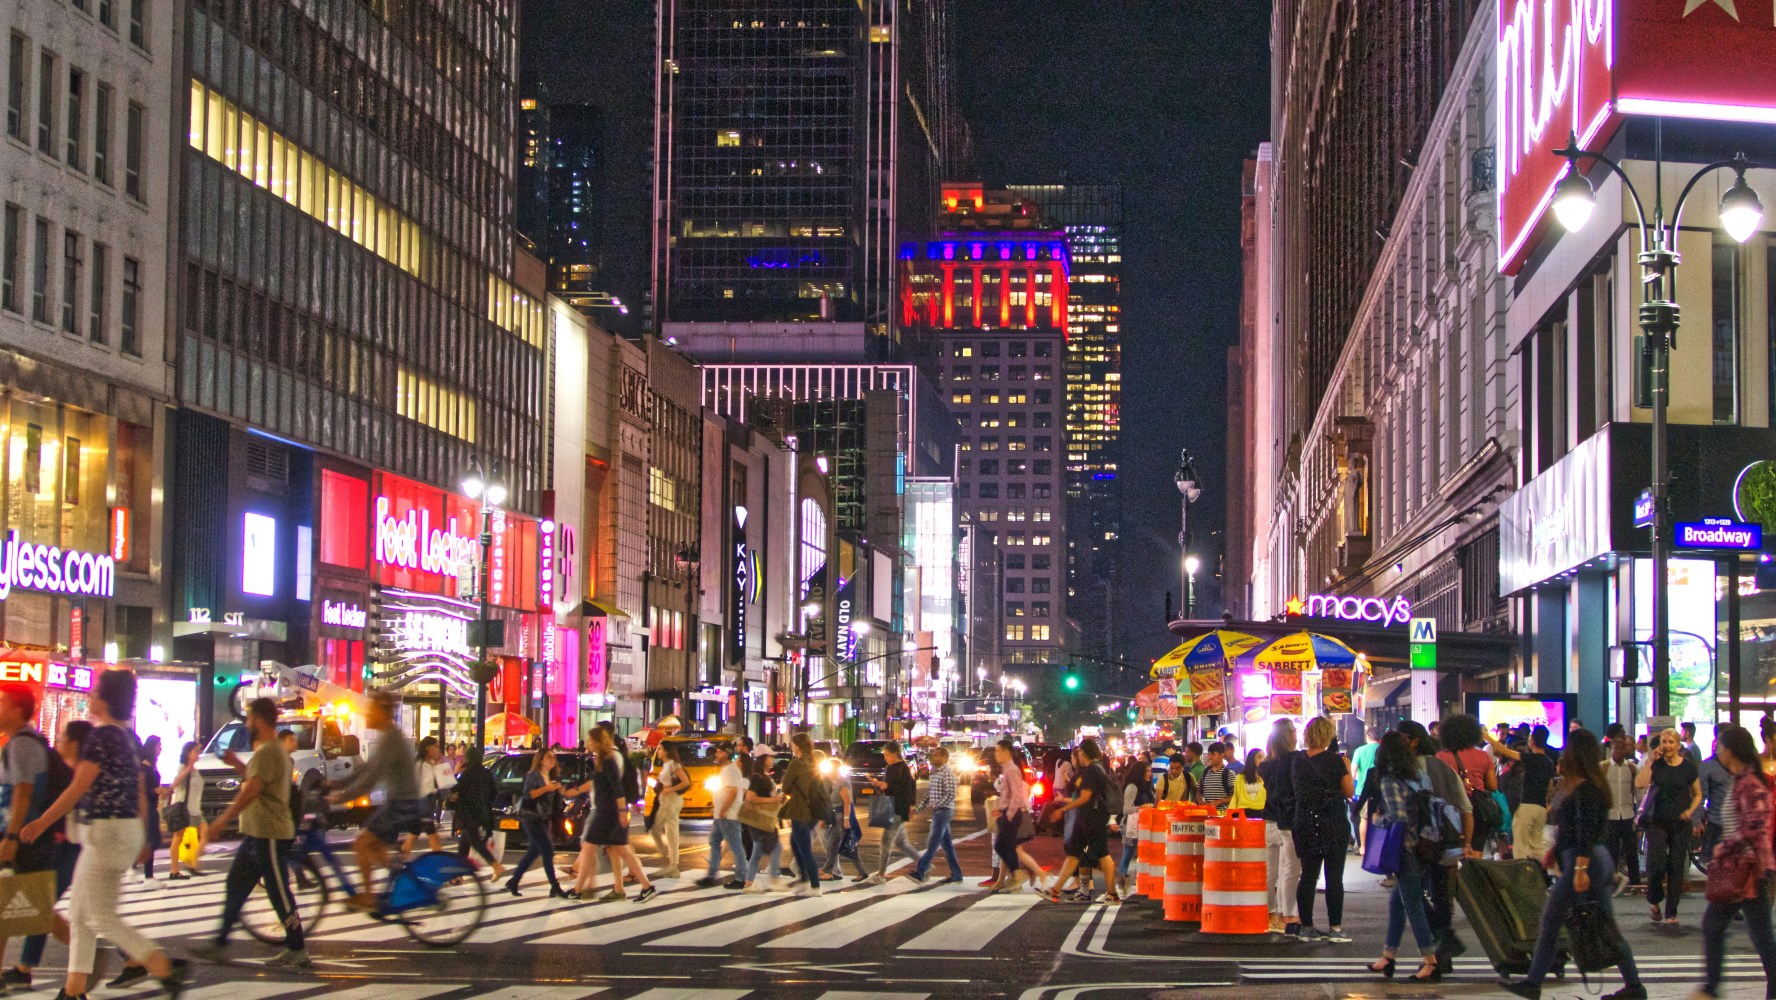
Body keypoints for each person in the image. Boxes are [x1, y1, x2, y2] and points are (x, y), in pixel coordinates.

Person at [17, 669, 188, 1000]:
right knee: (81, 915)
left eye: (95, 691)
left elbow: (78, 787)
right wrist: (142, 835)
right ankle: (73, 991)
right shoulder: (125, 737)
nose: (91, 696)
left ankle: (163, 965)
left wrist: (40, 823)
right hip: (117, 833)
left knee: (98, 915)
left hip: (107, 832)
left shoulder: (101, 737)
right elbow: (137, 788)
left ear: (106, 700)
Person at [1500, 729, 1647, 1000]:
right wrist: (1557, 849)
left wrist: (1578, 868)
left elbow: (1586, 831)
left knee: (1553, 919)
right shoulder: (1582, 784)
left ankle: (1533, 984)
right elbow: (1573, 828)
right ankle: (1634, 987)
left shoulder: (1586, 789)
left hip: (1585, 860)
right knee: (1604, 924)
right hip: (1587, 858)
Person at [188, 697, 307, 966]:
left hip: (271, 835)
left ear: (261, 721)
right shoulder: (270, 751)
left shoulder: (269, 752)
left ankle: (297, 947)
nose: (248, 723)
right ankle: (220, 941)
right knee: (236, 885)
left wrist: (222, 820)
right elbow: (260, 782)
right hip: (257, 833)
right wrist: (237, 766)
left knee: (278, 892)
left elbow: (252, 791)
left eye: (251, 718)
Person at [1692, 724, 1776, 1000]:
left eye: (1720, 746)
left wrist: (1723, 848)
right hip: (1740, 870)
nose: (1717, 750)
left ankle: (1711, 989)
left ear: (1731, 750)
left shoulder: (1749, 783)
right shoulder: (1740, 780)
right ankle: (1712, 989)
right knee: (1757, 935)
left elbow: (1755, 827)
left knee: (1749, 934)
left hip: (1747, 871)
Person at [0, 685, 74, 986]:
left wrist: (12, 837)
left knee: (39, 909)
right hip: (23, 836)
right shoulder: (17, 742)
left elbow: (24, 791)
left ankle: (94, 952)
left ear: (17, 709)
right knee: (17, 908)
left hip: (26, 839)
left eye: (2, 702)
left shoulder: (22, 744)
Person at [328, 692, 427, 909]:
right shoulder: (388, 737)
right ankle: (398, 875)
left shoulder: (390, 739)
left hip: (402, 804)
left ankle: (368, 897)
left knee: (361, 843)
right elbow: (367, 769)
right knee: (372, 846)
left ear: (383, 713)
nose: (367, 716)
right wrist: (339, 783)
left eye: (371, 711)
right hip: (401, 802)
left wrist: (342, 796)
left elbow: (370, 779)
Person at [1366, 733, 1441, 982]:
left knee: (1413, 904)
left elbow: (1397, 816)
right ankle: (1388, 956)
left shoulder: (1390, 780)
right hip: (1426, 846)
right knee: (1397, 904)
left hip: (1406, 848)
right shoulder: (1420, 777)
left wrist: (1379, 819)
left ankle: (1430, 961)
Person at [1399, 719, 1473, 968]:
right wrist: (1467, 843)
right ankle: (1444, 955)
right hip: (1448, 842)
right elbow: (1466, 809)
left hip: (1420, 844)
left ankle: (1444, 941)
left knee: (1412, 894)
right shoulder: (1445, 768)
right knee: (1442, 898)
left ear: (1413, 741)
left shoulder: (1408, 770)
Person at [1290, 715, 1353, 943]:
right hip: (1332, 820)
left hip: (1304, 820)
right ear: (1328, 735)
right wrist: (1347, 770)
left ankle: (1307, 926)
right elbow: (1348, 792)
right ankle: (1335, 928)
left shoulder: (1297, 760)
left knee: (1308, 875)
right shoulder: (1335, 761)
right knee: (1334, 877)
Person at [1634, 726, 1701, 924]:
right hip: (1657, 821)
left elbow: (1697, 794)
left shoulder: (1688, 767)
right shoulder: (1656, 765)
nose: (1667, 745)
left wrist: (1691, 811)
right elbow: (1639, 783)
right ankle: (1654, 900)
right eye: (1664, 741)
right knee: (1656, 864)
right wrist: (1651, 761)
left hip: (1680, 822)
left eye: (1671, 742)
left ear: (1678, 744)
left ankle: (1671, 912)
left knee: (1676, 866)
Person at [1040, 738, 1120, 904]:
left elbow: (1085, 797)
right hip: (1089, 818)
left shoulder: (1092, 771)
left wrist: (1063, 809)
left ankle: (1112, 894)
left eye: (1078, 753)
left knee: (1103, 855)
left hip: (1094, 818)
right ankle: (1065, 890)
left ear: (1083, 752)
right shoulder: (1095, 769)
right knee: (1076, 853)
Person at [582, 727, 655, 903]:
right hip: (607, 810)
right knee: (618, 849)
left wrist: (623, 810)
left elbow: (616, 786)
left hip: (609, 811)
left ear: (599, 741)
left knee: (591, 844)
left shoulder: (609, 759)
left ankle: (582, 888)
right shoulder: (603, 759)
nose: (587, 743)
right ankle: (626, 888)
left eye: (590, 740)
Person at [504, 748, 570, 898]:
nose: (552, 760)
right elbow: (529, 795)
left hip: (544, 818)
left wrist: (560, 793)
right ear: (541, 760)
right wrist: (546, 788)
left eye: (553, 758)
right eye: (549, 757)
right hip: (530, 817)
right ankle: (555, 886)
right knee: (548, 850)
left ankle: (514, 881)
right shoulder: (533, 776)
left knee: (534, 851)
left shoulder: (554, 777)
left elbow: (556, 803)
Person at [1487, 724, 1557, 860]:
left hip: (1527, 807)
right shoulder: (1549, 761)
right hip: (1541, 809)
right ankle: (1554, 872)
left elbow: (1505, 751)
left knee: (1520, 847)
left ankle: (1521, 878)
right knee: (1537, 847)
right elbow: (1550, 786)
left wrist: (1486, 737)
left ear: (1532, 740)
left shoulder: (1529, 758)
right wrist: (1547, 804)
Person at [1436, 714, 1500, 857]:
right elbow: (1493, 785)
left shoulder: (1441, 756)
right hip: (1479, 807)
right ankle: (1473, 875)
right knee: (1476, 849)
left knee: (1453, 850)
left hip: (1452, 808)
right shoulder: (1483, 756)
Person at [1262, 718, 1302, 936]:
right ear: (1288, 735)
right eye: (1294, 731)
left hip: (1268, 819)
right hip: (1286, 820)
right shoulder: (1293, 760)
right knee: (1290, 870)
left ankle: (1270, 914)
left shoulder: (1266, 764)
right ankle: (1288, 915)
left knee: (1270, 872)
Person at [990, 739, 1043, 892]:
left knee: (1002, 845)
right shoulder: (1006, 769)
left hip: (1011, 813)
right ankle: (1016, 876)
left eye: (998, 751)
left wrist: (1009, 814)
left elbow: (1016, 795)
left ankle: (1018, 874)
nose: (995, 755)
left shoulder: (1012, 770)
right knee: (1006, 846)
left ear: (1007, 752)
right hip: (1006, 812)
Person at [696, 745, 751, 890]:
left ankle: (741, 878)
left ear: (727, 754)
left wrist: (724, 810)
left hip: (728, 815)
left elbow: (733, 792)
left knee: (735, 846)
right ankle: (711, 875)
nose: (716, 754)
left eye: (719, 752)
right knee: (714, 842)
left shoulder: (730, 770)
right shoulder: (727, 770)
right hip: (722, 814)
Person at [865, 740, 921, 884]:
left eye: (887, 754)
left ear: (895, 754)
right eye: (884, 754)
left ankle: (881, 874)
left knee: (885, 842)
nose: (885, 757)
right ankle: (925, 865)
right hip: (892, 807)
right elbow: (888, 789)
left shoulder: (902, 768)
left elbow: (907, 789)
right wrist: (879, 785)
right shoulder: (890, 768)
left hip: (897, 808)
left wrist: (911, 806)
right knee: (902, 843)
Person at [779, 733, 826, 896]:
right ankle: (804, 877)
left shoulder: (796, 763)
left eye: (792, 744)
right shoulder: (813, 762)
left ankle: (814, 885)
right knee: (795, 842)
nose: (791, 746)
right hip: (814, 810)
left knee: (804, 849)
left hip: (800, 810)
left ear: (796, 745)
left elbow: (785, 787)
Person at [909, 745, 961, 884]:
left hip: (943, 811)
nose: (934, 757)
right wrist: (917, 809)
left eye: (937, 755)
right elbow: (929, 794)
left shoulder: (947, 773)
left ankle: (920, 872)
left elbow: (951, 793)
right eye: (934, 755)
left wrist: (937, 804)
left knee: (933, 843)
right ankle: (957, 874)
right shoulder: (936, 772)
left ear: (945, 758)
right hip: (938, 810)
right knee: (947, 845)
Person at [451, 747, 505, 879]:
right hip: (483, 813)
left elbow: (455, 789)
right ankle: (458, 875)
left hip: (469, 814)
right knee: (465, 843)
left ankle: (496, 866)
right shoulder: (486, 773)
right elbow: (494, 793)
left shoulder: (467, 773)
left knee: (474, 841)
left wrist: (456, 772)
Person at [819, 751, 868, 881]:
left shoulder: (842, 783)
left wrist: (846, 819)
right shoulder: (835, 782)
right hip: (835, 816)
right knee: (847, 846)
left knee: (833, 844)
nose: (827, 773)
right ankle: (862, 872)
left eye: (829, 770)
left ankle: (828, 871)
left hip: (841, 817)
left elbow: (847, 801)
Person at [740, 754, 786, 893]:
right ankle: (773, 879)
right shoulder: (757, 777)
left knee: (757, 853)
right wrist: (773, 800)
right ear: (763, 760)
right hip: (760, 820)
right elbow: (750, 797)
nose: (772, 760)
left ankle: (748, 884)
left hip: (764, 820)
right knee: (776, 848)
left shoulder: (765, 777)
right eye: (770, 757)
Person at [163, 741, 205, 880]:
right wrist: (187, 769)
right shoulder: (184, 767)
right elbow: (174, 784)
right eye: (195, 751)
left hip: (195, 809)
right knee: (178, 838)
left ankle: (192, 864)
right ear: (188, 753)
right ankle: (174, 870)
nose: (198, 753)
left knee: (204, 834)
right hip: (184, 809)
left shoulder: (195, 769)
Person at [1603, 736, 1640, 894]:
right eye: (1615, 749)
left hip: (1627, 814)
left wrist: (1639, 814)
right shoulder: (1603, 767)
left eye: (1621, 748)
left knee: (1631, 851)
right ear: (1611, 750)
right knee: (1611, 851)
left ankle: (1635, 884)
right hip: (1610, 815)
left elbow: (1638, 791)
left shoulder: (1632, 768)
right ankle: (1611, 883)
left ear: (1626, 750)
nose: (1618, 752)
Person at [1115, 754, 1156, 894]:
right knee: (1128, 852)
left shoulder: (1148, 787)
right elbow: (1126, 809)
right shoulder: (1132, 787)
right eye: (1146, 771)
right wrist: (1142, 807)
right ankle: (1121, 881)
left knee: (1142, 853)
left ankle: (1134, 881)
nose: (1149, 774)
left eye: (1150, 771)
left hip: (1145, 824)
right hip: (1131, 823)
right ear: (1139, 773)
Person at [648, 740, 690, 879]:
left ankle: (672, 864)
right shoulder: (667, 765)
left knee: (668, 831)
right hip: (665, 801)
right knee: (664, 831)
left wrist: (670, 789)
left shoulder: (673, 764)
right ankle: (671, 864)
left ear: (667, 751)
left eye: (660, 749)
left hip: (671, 801)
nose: (658, 751)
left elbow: (686, 782)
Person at [1697, 738, 1732, 867]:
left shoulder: (1742, 766)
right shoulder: (1707, 766)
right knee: (1714, 865)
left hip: (1737, 824)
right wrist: (1697, 819)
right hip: (1716, 821)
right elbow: (1701, 795)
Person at [137, 735, 163, 885]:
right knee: (152, 840)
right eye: (158, 746)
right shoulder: (144, 767)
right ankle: (147, 875)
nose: (160, 749)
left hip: (152, 807)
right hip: (147, 808)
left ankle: (147, 874)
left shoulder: (151, 766)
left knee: (153, 840)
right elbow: (142, 789)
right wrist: (156, 791)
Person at [1349, 728, 1380, 850]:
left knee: (1364, 819)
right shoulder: (1382, 749)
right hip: (1381, 790)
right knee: (1379, 818)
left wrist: (1350, 790)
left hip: (1363, 790)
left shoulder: (1360, 751)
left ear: (1367, 737)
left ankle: (1363, 847)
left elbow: (1353, 771)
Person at [1198, 742, 1235, 808]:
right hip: (1207, 813)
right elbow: (1199, 791)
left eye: (1214, 754)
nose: (1210, 757)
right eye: (1209, 754)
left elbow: (1234, 795)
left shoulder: (1229, 773)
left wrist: (1219, 802)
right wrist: (1200, 801)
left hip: (1223, 814)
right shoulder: (1205, 772)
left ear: (1222, 755)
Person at [1230, 748, 1266, 813]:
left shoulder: (1267, 776)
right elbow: (1235, 797)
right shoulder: (1240, 777)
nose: (1262, 759)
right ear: (1252, 759)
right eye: (1259, 757)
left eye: (1264, 757)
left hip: (1262, 812)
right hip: (1243, 812)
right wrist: (1230, 813)